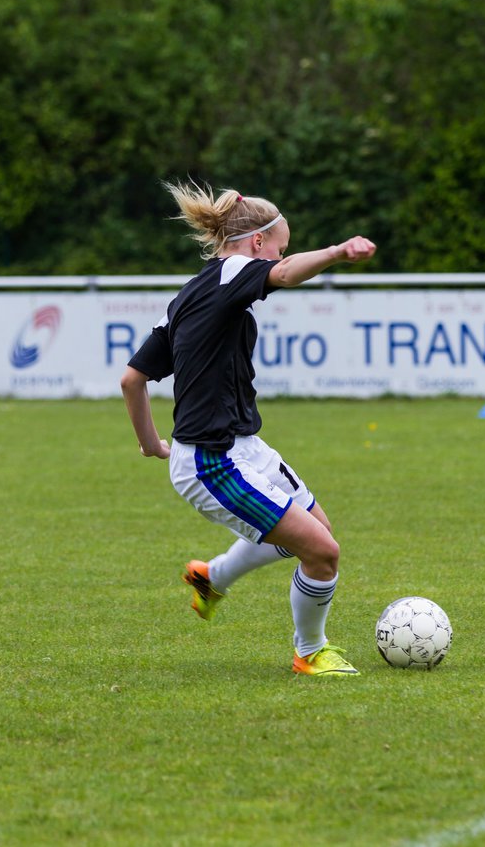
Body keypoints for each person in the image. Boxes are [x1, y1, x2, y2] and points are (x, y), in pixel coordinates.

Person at [121, 181, 376, 677]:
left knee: (313, 533)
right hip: (213, 462)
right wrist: (338, 251)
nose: (281, 256)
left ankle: (210, 577)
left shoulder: (187, 295)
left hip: (243, 448)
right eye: (280, 244)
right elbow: (281, 272)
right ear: (257, 243)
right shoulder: (238, 268)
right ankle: (310, 653)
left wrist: (151, 443)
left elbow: (132, 379)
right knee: (323, 552)